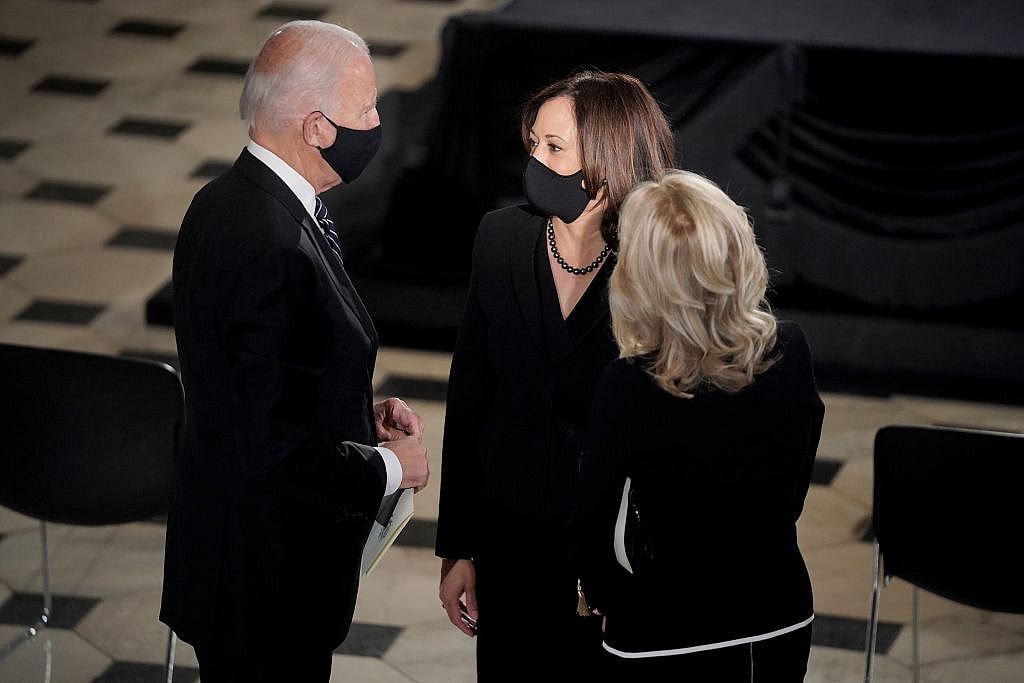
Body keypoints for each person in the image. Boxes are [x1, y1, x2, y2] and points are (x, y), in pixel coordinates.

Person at [159, 20, 430, 683]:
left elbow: (257, 380)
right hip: (262, 583)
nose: (378, 123)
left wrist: (353, 411)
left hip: (247, 567)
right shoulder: (268, 242)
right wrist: (390, 468)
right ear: (315, 128)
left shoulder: (228, 199)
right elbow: (273, 447)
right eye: (365, 109)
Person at [434, 69, 676, 680]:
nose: (535, 161)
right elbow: (470, 399)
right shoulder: (500, 238)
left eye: (554, 147)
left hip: (612, 557)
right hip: (509, 544)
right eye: (533, 144)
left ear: (609, 159)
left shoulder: (656, 266)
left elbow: (671, 431)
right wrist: (457, 549)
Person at [567, 169, 826, 681]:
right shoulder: (791, 348)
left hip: (663, 631)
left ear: (641, 276)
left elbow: (591, 527)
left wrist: (602, 597)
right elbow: (794, 489)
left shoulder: (627, 383)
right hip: (778, 615)